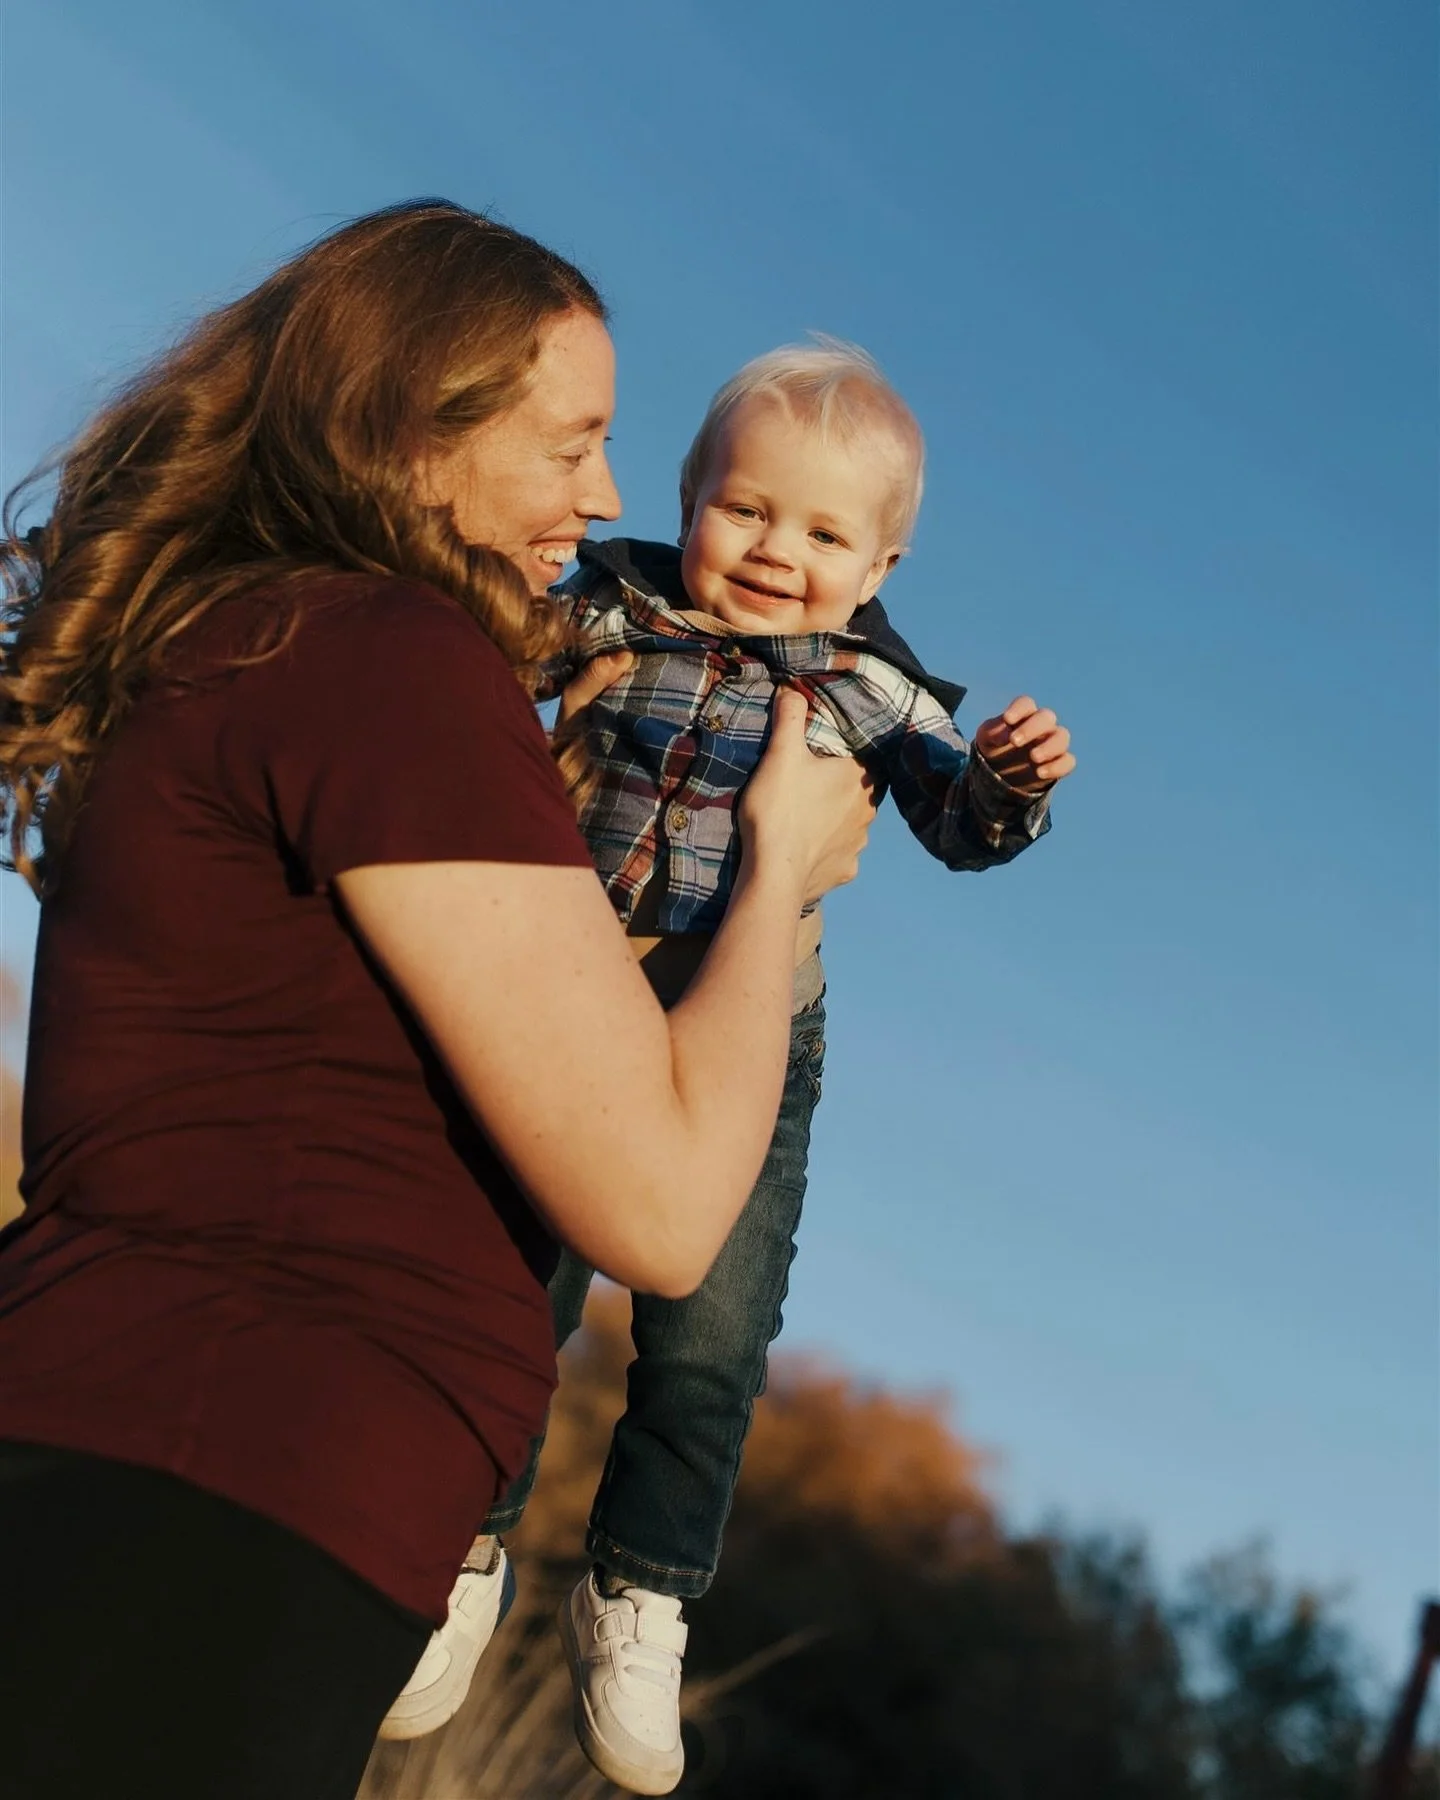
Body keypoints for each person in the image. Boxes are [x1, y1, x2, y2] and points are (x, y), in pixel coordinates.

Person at [0, 201, 876, 1800]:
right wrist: (777, 872)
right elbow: (668, 1210)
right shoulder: (387, 654)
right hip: (211, 1485)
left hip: (184, 1468)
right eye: (570, 446)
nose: (607, 500)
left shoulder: (274, 639)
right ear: (414, 432)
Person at [385, 340, 1076, 1792]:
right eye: (746, 509)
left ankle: (641, 1592)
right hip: (576, 983)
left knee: (708, 1335)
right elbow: (477, 647)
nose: (776, 553)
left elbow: (956, 818)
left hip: (753, 1022)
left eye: (826, 534)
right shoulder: (610, 606)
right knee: (523, 1287)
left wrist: (1007, 780)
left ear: (882, 559)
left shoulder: (872, 690)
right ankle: (465, 1540)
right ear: (691, 497)